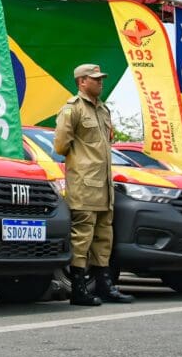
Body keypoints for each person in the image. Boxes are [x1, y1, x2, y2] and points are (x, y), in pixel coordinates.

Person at [53, 64, 133, 306]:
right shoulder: (72, 110)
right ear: (81, 82)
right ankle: (78, 289)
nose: (101, 82)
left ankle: (105, 286)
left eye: (101, 78)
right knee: (82, 237)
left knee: (103, 237)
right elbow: (60, 146)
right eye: (95, 79)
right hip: (84, 184)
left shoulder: (103, 110)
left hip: (104, 186)